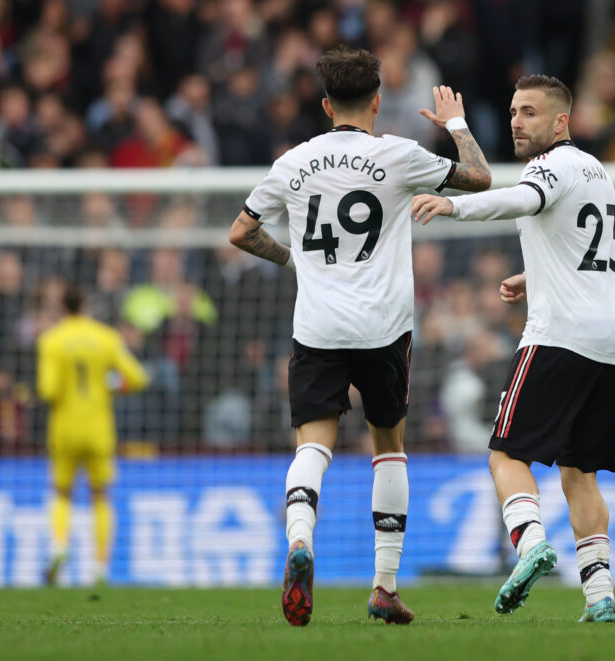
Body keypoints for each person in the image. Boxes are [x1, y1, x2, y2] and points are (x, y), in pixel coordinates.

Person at [227, 47, 491, 626]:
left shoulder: (292, 162)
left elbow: (241, 232)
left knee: (312, 447)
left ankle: (300, 540)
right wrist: (457, 126)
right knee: (388, 447)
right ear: (377, 101)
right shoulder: (396, 155)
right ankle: (385, 585)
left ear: (325, 105)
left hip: (318, 326)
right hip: (383, 328)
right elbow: (479, 178)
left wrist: (294, 262)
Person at [412, 75, 615, 623]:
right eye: (512, 111)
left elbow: (520, 199)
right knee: (579, 472)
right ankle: (600, 597)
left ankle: (531, 545)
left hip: (560, 335)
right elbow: (581, 246)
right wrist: (535, 275)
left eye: (529, 113)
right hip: (609, 342)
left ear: (561, 122)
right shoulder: (597, 172)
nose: (515, 121)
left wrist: (453, 206)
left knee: (505, 455)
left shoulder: (548, 167)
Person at [37, 285, 149, 585]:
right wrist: (109, 385)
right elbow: (137, 378)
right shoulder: (106, 337)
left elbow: (48, 389)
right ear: (85, 303)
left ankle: (60, 546)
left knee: (62, 493)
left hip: (64, 428)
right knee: (100, 496)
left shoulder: (52, 340)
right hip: (99, 429)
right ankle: (100, 568)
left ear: (62, 305)